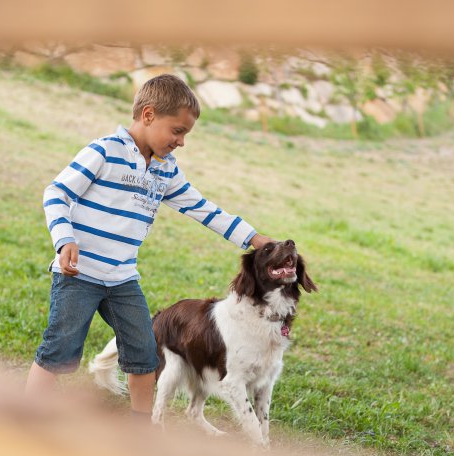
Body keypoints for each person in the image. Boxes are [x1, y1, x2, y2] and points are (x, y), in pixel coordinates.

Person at [25, 74, 273, 417]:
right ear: (148, 115)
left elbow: (204, 210)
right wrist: (64, 238)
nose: (181, 142)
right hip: (78, 275)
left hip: (122, 280)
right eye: (178, 131)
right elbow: (56, 193)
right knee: (60, 349)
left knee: (144, 351)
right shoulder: (104, 151)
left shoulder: (165, 170)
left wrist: (255, 239)